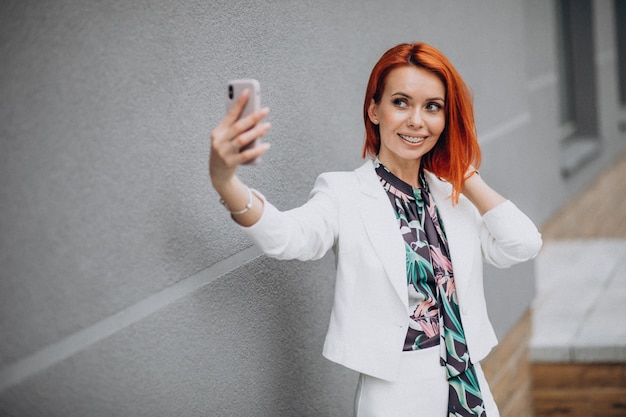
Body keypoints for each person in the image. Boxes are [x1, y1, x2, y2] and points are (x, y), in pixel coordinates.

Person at [209, 42, 542, 417]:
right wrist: (226, 182)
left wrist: (465, 173)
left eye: (432, 107)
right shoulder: (344, 193)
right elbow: (287, 237)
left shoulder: (453, 194)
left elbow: (523, 244)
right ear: (374, 110)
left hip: (469, 386)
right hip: (397, 393)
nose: (417, 120)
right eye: (401, 102)